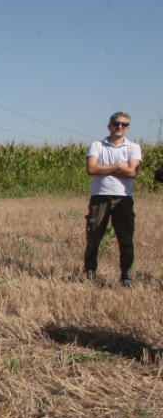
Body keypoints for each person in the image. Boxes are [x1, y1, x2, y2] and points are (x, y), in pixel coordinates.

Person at [83, 111, 141, 287]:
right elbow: (91, 169)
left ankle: (126, 278)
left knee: (126, 240)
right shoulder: (97, 146)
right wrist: (117, 166)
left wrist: (104, 168)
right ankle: (89, 274)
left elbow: (132, 172)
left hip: (123, 198)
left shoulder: (133, 147)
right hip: (100, 197)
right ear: (109, 126)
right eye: (116, 123)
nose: (120, 127)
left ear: (128, 128)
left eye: (124, 125)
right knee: (93, 237)